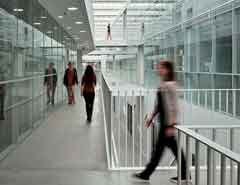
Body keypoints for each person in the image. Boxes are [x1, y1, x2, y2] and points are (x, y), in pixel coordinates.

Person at [132, 60, 188, 183]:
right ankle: (183, 175)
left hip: (167, 124)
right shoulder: (164, 84)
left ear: (167, 70)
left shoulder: (170, 85)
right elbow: (160, 105)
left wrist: (171, 125)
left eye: (161, 67)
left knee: (162, 151)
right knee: (167, 150)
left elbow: (173, 107)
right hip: (164, 123)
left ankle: (147, 174)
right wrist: (151, 117)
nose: (158, 69)